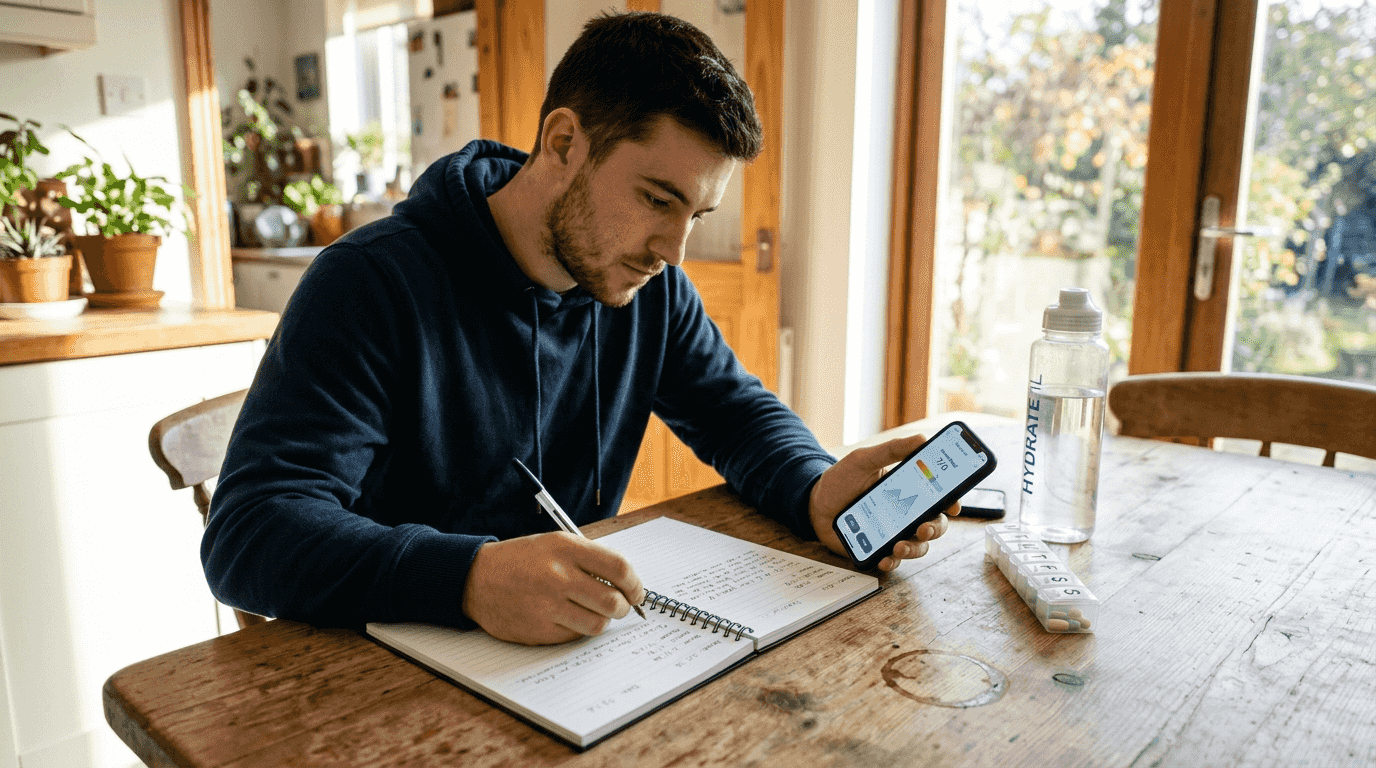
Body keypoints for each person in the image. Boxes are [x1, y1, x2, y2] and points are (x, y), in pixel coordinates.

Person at [203, 11, 955, 646]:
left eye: (695, 215)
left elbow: (733, 411)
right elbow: (250, 533)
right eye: (658, 199)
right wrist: (467, 578)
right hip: (389, 669)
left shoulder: (645, 287)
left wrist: (813, 484)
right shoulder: (370, 284)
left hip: (574, 663)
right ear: (563, 143)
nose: (673, 250)